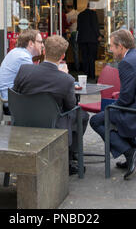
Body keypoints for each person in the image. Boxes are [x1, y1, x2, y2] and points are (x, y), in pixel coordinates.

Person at [90, 29, 136, 180]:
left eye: (112, 46)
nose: (110, 49)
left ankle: (131, 153)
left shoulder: (127, 63)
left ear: (121, 47)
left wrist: (112, 107)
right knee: (113, 113)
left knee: (97, 120)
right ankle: (135, 153)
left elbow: (125, 99)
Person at [13, 35, 89, 175]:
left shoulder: (24, 70)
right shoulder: (66, 79)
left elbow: (16, 92)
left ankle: (68, 156)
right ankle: (69, 157)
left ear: (44, 51)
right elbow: (70, 106)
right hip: (51, 123)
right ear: (63, 56)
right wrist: (65, 77)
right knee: (81, 115)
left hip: (23, 120)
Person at [0, 29, 44, 107]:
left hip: (8, 97)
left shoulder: (15, 52)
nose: (42, 45)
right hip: (12, 102)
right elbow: (34, 83)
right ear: (31, 43)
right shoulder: (23, 57)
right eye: (40, 42)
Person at [77, 3, 101, 81]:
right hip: (92, 40)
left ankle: (86, 73)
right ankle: (92, 74)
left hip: (82, 39)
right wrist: (98, 35)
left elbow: (78, 28)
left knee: (85, 57)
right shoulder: (93, 14)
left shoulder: (80, 14)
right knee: (92, 57)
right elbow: (95, 26)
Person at [65, 4, 80, 73]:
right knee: (77, 50)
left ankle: (74, 67)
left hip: (73, 33)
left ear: (68, 8)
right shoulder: (78, 13)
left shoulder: (67, 15)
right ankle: (78, 66)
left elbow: (66, 25)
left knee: (73, 50)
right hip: (79, 32)